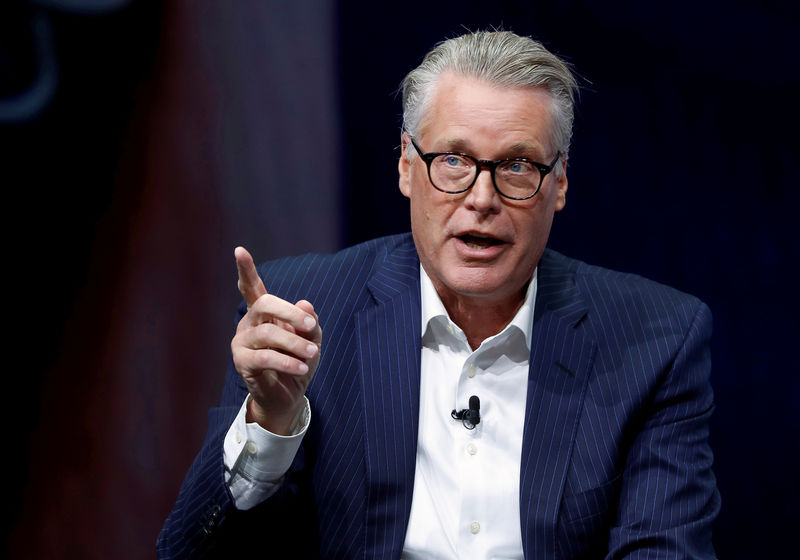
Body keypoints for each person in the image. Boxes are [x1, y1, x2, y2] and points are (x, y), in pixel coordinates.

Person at [157, 30, 720, 559]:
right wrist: (271, 424)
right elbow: (191, 551)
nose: (481, 198)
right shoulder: (300, 313)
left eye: (518, 166)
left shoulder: (653, 340)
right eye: (452, 159)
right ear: (406, 165)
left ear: (560, 182)